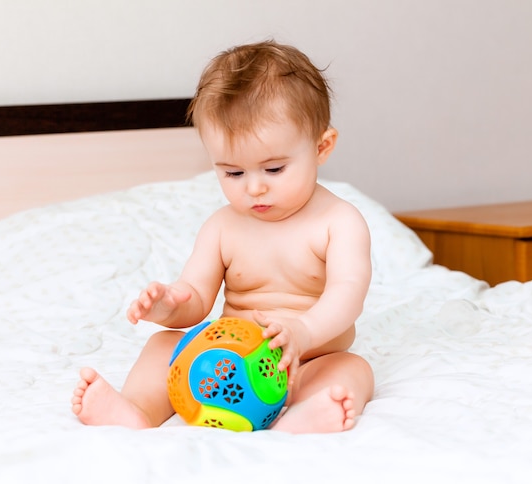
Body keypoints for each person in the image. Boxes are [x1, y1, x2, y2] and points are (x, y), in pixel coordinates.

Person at [72, 40, 374, 433]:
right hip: (223, 364)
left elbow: (347, 296)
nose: (254, 189)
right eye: (233, 173)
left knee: (354, 369)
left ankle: (302, 416)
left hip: (303, 361)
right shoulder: (222, 227)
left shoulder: (339, 221)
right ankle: (136, 411)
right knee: (162, 346)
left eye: (274, 169)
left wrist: (303, 332)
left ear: (322, 147)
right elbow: (195, 301)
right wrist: (167, 306)